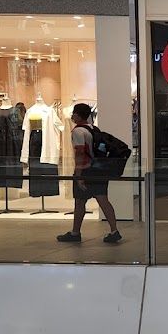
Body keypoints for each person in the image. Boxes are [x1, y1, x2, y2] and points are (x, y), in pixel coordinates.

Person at [57, 103, 121, 244]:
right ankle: (114, 230)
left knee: (80, 202)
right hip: (99, 169)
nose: (72, 115)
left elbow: (80, 154)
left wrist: (79, 176)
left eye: (74, 113)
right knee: (103, 200)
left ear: (79, 115)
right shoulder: (93, 129)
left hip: (86, 170)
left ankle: (75, 233)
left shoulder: (78, 132)